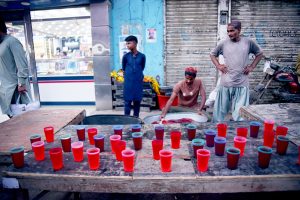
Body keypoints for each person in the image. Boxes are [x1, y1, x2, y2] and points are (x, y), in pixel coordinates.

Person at [210, 20, 263, 122]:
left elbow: (259, 53)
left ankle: (238, 133)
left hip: (242, 83)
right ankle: (216, 130)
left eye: (232, 31)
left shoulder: (248, 42)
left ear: (239, 30)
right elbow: (212, 54)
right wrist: (218, 66)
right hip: (226, 82)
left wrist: (252, 66)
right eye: (228, 31)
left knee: (240, 113)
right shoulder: (223, 43)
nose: (229, 34)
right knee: (219, 112)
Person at [0, 16, 32, 118]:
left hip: (16, 88)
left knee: (21, 118)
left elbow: (22, 64)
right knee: (12, 118)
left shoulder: (12, 41)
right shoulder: (1, 44)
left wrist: (21, 83)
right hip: (5, 89)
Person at [122, 35, 146, 118]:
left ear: (135, 43)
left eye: (129, 43)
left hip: (137, 84)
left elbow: (142, 67)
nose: (127, 45)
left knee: (137, 103)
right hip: (128, 84)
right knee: (127, 103)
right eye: (126, 44)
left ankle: (136, 120)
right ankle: (126, 121)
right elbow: (124, 68)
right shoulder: (125, 57)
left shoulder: (142, 56)